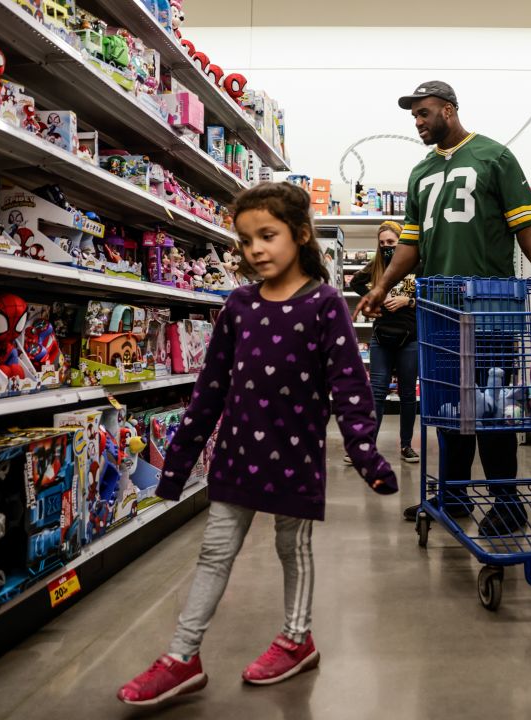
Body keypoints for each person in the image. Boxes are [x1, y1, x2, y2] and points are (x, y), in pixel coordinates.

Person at [117, 182, 398, 705]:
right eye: (246, 241)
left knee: (293, 548)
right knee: (214, 551)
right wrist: (176, 463)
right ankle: (182, 656)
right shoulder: (239, 306)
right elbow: (210, 389)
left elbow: (349, 387)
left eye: (267, 235)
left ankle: (297, 639)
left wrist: (364, 452)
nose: (256, 250)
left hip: (295, 456)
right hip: (237, 456)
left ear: (301, 234)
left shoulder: (325, 304)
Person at [356, 80, 531, 537]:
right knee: (449, 409)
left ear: (448, 111)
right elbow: (409, 244)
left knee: (492, 408)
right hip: (437, 308)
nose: (418, 122)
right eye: (413, 115)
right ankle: (453, 496)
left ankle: (508, 505)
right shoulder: (420, 173)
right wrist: (382, 286)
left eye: (424, 113)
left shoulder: (493, 156)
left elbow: (524, 219)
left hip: (490, 304)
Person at [348, 220, 420, 465]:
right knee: (376, 393)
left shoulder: (417, 265)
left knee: (408, 394)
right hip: (381, 337)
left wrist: (407, 301)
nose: (387, 247)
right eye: (382, 244)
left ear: (402, 242)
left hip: (411, 337)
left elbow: (431, 293)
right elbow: (356, 282)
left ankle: (406, 445)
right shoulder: (377, 266)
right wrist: (373, 298)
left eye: (392, 242)